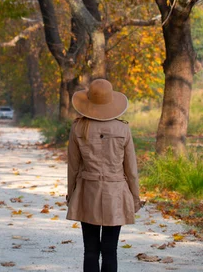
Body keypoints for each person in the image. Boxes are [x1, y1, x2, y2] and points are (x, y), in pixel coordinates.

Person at [66, 78, 141, 272]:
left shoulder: (78, 128)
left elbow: (73, 167)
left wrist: (71, 194)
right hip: (115, 193)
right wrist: (135, 198)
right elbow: (131, 170)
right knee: (110, 250)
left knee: (90, 250)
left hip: (87, 191)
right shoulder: (123, 129)